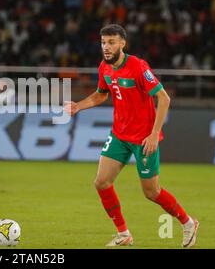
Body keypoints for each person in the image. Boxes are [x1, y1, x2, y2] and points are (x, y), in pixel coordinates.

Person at [64, 24, 199, 248]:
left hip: (144, 139)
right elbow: (100, 95)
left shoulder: (138, 66)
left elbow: (164, 98)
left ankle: (188, 223)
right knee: (101, 182)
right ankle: (123, 233)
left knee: (152, 192)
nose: (106, 47)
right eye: (103, 43)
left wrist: (154, 134)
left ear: (122, 44)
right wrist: (78, 106)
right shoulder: (104, 68)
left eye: (111, 42)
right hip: (119, 134)